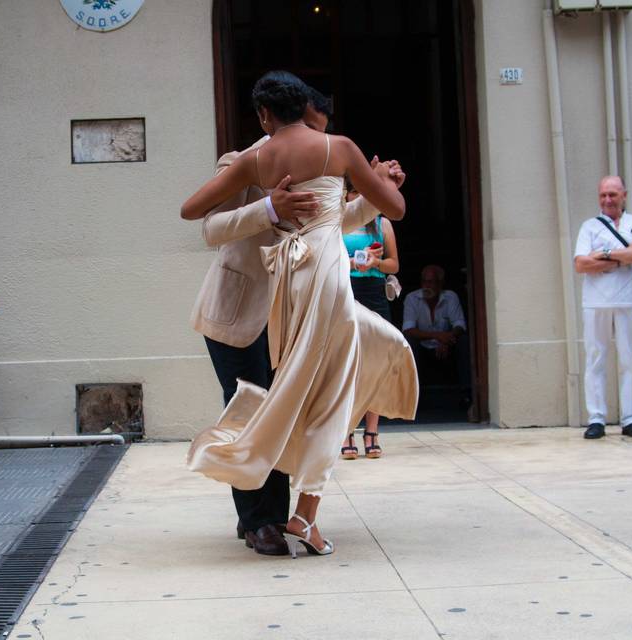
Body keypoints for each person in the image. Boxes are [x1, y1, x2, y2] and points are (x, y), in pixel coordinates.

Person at [182, 71, 418, 557]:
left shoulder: (322, 152)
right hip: (241, 310)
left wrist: (363, 197)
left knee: (288, 407)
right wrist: (269, 206)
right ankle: (260, 521)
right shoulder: (244, 160)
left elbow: (330, 222)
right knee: (249, 405)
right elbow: (208, 228)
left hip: (301, 302)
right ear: (293, 114)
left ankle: (276, 513)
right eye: (314, 120)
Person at [573, 176, 632, 439]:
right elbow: (581, 264)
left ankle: (630, 418)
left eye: (613, 195)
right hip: (596, 301)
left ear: (623, 195)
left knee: (630, 359)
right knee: (596, 358)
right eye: (603, 195)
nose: (607, 200)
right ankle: (596, 418)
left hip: (629, 299)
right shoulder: (589, 227)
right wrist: (622, 255)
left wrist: (603, 255)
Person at [340, 184, 400, 460]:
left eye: (362, 193)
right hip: (345, 291)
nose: (358, 198)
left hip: (374, 294)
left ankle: (372, 432)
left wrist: (375, 263)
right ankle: (347, 431)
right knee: (347, 365)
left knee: (374, 364)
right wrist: (353, 262)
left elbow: (394, 265)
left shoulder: (381, 222)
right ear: (345, 195)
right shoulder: (337, 219)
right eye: (353, 193)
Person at [402, 265, 470, 407]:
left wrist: (446, 340)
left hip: (446, 346)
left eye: (431, 282)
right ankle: (412, 398)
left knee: (464, 342)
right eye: (424, 281)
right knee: (408, 343)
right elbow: (408, 330)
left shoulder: (450, 297)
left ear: (440, 284)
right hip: (423, 345)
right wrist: (438, 336)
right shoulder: (412, 298)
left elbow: (460, 325)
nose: (427, 286)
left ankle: (467, 394)